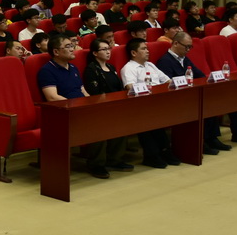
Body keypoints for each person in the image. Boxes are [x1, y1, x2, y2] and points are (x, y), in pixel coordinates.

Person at [156, 31, 232, 154]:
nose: (188, 50)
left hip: (190, 95)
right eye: (186, 47)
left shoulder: (184, 59)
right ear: (175, 43)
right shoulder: (165, 61)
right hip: (176, 99)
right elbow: (167, 85)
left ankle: (212, 139)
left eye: (190, 47)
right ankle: (202, 142)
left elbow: (200, 75)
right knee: (201, 106)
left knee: (210, 102)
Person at [120, 39, 179, 168]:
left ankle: (165, 151)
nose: (147, 51)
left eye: (147, 48)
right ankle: (152, 155)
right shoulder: (128, 68)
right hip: (141, 105)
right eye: (143, 49)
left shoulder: (150, 65)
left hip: (158, 102)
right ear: (134, 53)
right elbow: (130, 88)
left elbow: (167, 81)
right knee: (148, 119)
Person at [82, 39, 133, 178]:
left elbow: (119, 88)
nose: (108, 51)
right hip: (100, 107)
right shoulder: (91, 70)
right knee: (101, 127)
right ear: (95, 53)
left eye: (108, 48)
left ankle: (115, 160)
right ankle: (96, 164)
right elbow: (94, 93)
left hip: (115, 105)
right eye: (103, 49)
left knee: (122, 123)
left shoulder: (111, 67)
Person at [37, 34, 90, 103]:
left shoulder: (73, 67)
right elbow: (52, 97)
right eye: (68, 46)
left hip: (82, 105)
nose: (72, 49)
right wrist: (75, 104)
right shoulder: (47, 71)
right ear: (56, 52)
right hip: (67, 107)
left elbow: (83, 91)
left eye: (72, 46)